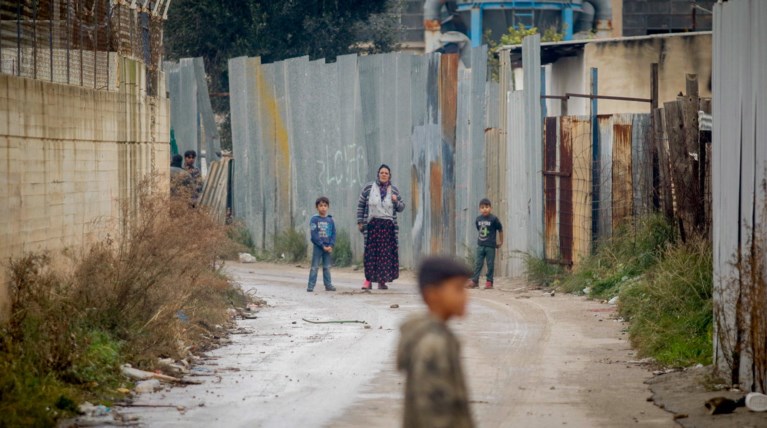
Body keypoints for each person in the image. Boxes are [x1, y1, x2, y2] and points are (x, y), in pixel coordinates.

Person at [397, 256, 475, 428]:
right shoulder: (432, 346)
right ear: (432, 294)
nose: (466, 297)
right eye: (458, 289)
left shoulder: (439, 337)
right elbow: (433, 415)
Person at [356, 164, 405, 290]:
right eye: (382, 172)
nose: (384, 174)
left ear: (389, 175)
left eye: (386, 173)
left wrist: (396, 201)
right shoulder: (368, 188)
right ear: (378, 174)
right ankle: (368, 280)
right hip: (373, 226)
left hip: (388, 227)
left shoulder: (394, 190)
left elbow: (401, 208)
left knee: (386, 255)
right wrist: (360, 221)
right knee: (371, 253)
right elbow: (361, 205)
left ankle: (382, 281)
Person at [468, 198, 503, 289]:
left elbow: (500, 229)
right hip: (480, 245)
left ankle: (489, 282)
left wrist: (501, 241)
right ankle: (475, 281)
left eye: (487, 207)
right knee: (478, 263)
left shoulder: (494, 219)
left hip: (490, 246)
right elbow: (479, 229)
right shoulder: (478, 219)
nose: (485, 209)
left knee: (490, 264)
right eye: (482, 207)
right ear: (479, 209)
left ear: (491, 208)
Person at [307, 196, 336, 292]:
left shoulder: (330, 220)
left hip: (328, 247)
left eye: (325, 205)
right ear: (317, 207)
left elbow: (333, 233)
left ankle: (328, 285)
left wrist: (330, 245)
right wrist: (322, 245)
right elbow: (314, 234)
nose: (323, 207)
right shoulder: (314, 219)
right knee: (315, 267)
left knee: (327, 267)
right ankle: (311, 286)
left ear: (328, 207)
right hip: (318, 247)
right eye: (321, 206)